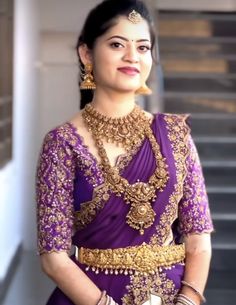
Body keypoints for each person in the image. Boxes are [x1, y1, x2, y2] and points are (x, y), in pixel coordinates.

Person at [35, 0, 214, 305]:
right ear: (86, 53)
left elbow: (198, 236)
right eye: (117, 44)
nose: (132, 56)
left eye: (143, 48)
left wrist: (187, 300)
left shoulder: (176, 134)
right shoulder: (62, 143)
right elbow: (54, 257)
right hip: (90, 297)